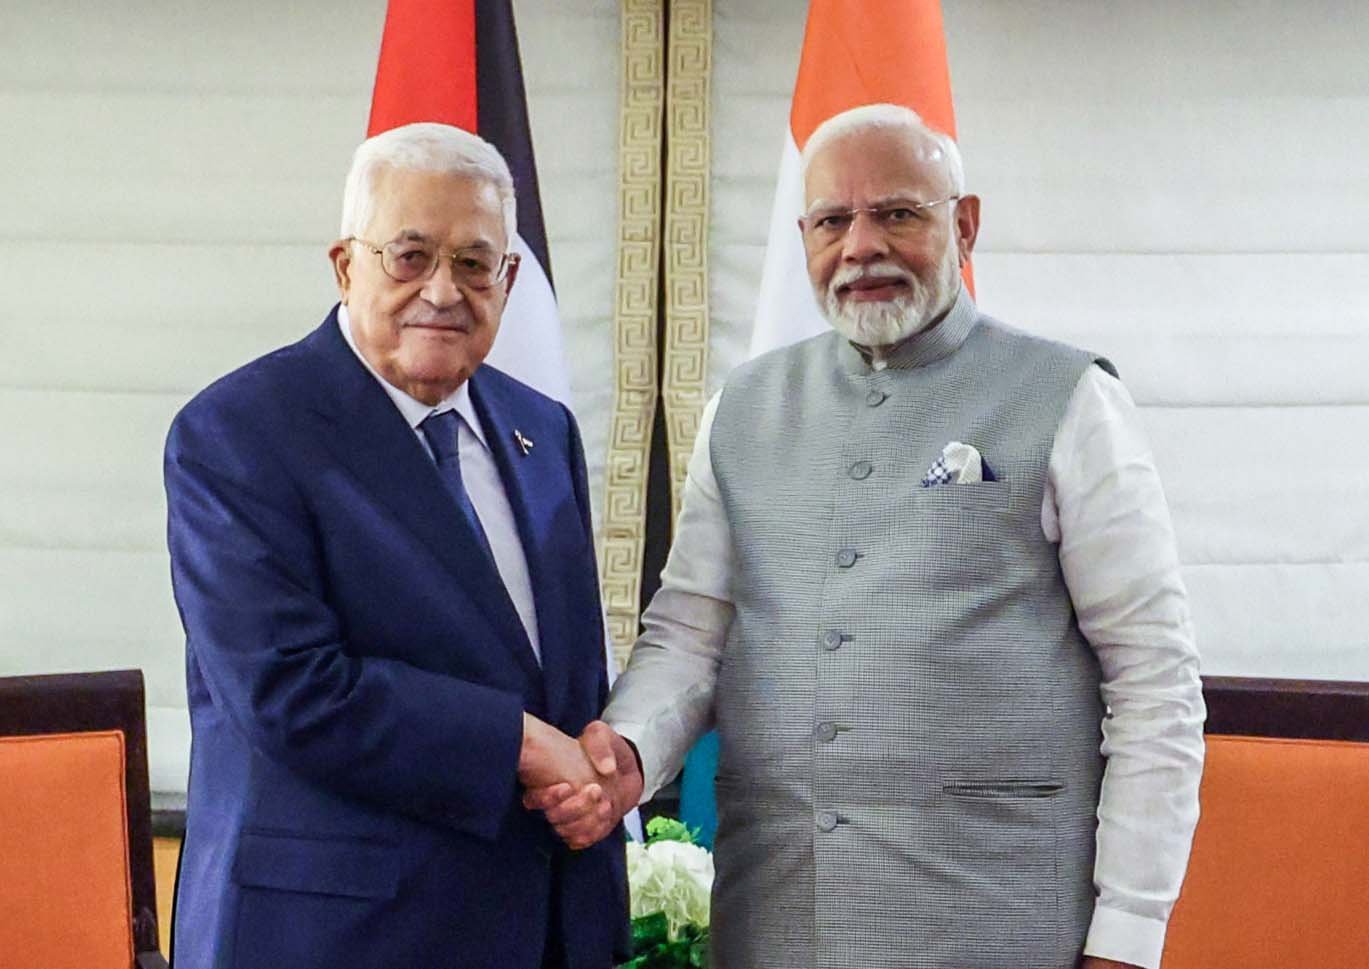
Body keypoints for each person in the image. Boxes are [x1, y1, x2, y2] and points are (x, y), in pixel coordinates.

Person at [529, 104, 1205, 969]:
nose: (860, 246)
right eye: (831, 221)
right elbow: (692, 634)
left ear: (964, 225)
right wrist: (629, 748)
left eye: (896, 213)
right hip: (776, 920)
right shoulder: (743, 408)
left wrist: (1129, 932)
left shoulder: (1069, 397)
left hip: (999, 920)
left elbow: (1153, 680)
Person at [165, 122, 639, 969]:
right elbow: (289, 688)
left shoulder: (542, 428)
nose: (443, 291)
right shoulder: (240, 431)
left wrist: (597, 779)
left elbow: (560, 673)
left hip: (543, 926)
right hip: (336, 938)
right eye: (410, 256)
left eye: (474, 262)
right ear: (345, 266)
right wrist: (518, 743)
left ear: (509, 279)